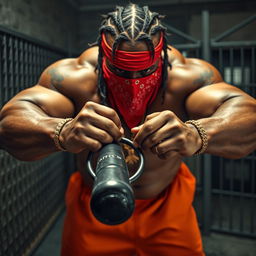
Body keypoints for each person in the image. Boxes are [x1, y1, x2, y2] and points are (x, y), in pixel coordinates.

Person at [0, 3, 255, 256]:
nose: (134, 83)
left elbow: (247, 114)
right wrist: (61, 130)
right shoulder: (75, 76)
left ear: (161, 52)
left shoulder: (187, 76)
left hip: (166, 207)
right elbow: (9, 123)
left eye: (145, 71)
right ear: (103, 51)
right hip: (93, 205)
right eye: (121, 70)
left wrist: (198, 134)